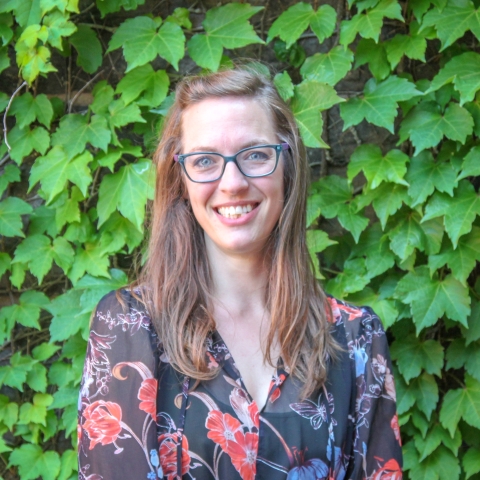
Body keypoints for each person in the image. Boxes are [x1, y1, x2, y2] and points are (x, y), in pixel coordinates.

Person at [78, 67, 403, 480]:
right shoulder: (129, 326)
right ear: (180, 179)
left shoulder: (356, 341)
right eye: (205, 160)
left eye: (254, 154)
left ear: (287, 165)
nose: (232, 183)